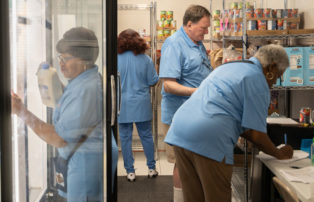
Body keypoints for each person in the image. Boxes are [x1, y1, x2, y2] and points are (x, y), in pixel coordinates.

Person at [164, 44, 294, 202]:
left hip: (181, 129)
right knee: (217, 196)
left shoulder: (231, 66)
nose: (275, 83)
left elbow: (243, 125)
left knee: (194, 197)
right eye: (278, 75)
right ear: (270, 68)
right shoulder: (258, 80)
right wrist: (278, 153)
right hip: (209, 137)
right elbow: (256, 134)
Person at [11, 27, 118, 202]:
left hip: (86, 166)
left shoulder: (86, 91)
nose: (61, 63)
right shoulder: (85, 79)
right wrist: (53, 83)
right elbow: (73, 107)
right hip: (87, 159)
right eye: (60, 57)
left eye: (66, 59)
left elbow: (57, 138)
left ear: (84, 60)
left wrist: (20, 111)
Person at [159, 4, 212, 201]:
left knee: (194, 163)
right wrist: (198, 92)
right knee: (181, 164)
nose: (206, 33)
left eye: (207, 28)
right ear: (189, 24)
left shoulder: (197, 43)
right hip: (178, 116)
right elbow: (168, 85)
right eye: (203, 28)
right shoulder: (174, 44)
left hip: (197, 114)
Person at [117, 29, 159, 181]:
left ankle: (130, 171)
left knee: (125, 138)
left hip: (122, 104)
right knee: (146, 136)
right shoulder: (145, 59)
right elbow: (153, 81)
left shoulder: (115, 58)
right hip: (141, 103)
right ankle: (151, 168)